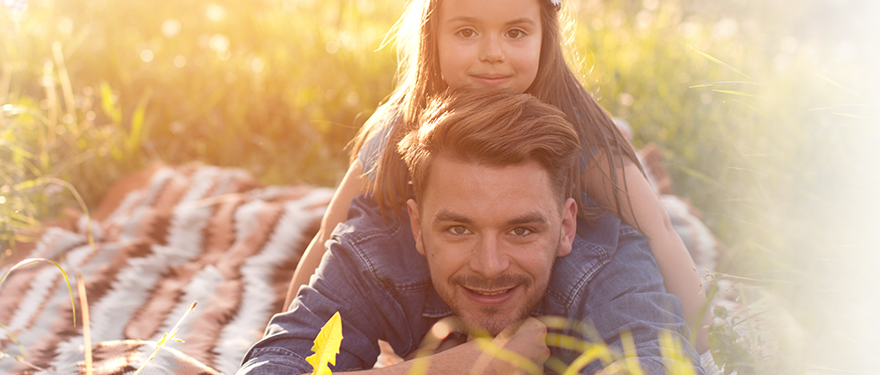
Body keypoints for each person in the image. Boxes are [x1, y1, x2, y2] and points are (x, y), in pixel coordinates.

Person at [282, 0, 711, 350]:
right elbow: (329, 232)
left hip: (554, 246)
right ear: (434, 35)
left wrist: (707, 342)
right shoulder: (403, 123)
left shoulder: (581, 128)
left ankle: (626, 135)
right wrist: (282, 324)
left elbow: (659, 230)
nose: (492, 53)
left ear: (545, 37)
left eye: (515, 33)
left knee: (639, 193)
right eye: (467, 32)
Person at [242, 88, 700, 374]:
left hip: (597, 170)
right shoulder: (376, 254)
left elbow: (658, 363)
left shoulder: (606, 260)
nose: (490, 266)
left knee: (656, 203)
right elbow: (273, 368)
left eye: (521, 231)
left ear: (565, 227)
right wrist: (464, 367)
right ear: (417, 227)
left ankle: (628, 142)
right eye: (459, 229)